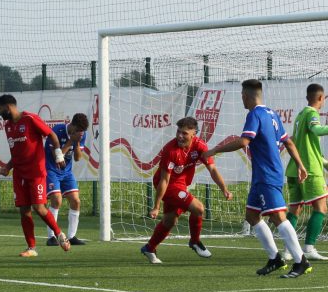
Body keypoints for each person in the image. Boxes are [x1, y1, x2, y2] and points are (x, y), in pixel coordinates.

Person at [203, 79, 312, 278]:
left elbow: (244, 141)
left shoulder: (254, 114)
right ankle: (275, 259)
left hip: (266, 175)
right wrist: (300, 165)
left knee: (278, 217)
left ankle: (300, 260)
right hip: (262, 176)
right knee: (252, 216)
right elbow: (288, 142)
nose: (242, 100)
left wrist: (215, 150)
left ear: (246, 95)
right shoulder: (272, 114)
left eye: (242, 96)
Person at [140, 117, 233, 264]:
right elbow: (164, 180)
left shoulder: (200, 146)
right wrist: (156, 206)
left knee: (170, 221)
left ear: (194, 134)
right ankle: (195, 241)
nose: (179, 136)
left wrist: (224, 189)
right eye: (178, 132)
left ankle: (149, 248)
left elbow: (212, 169)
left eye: (184, 133)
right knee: (199, 208)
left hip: (181, 185)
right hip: (168, 185)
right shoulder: (170, 150)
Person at [0, 94, 71, 257]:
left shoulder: (30, 119)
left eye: (0, 109)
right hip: (19, 174)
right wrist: (8, 167)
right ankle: (31, 248)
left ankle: (59, 234)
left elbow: (52, 135)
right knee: (24, 210)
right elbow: (16, 153)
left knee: (39, 207)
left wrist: (59, 155)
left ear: (8, 107)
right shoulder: (8, 126)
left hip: (36, 172)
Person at [283, 83, 328, 261]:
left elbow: (304, 143)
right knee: (321, 208)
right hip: (309, 170)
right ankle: (308, 247)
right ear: (320, 98)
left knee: (295, 209)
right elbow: (316, 130)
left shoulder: (300, 115)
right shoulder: (311, 114)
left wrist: (323, 162)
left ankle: (288, 250)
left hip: (295, 169)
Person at [44, 113, 89, 246]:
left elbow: (77, 158)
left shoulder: (81, 135)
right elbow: (56, 157)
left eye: (83, 132)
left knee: (76, 201)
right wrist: (70, 141)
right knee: (56, 200)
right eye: (79, 131)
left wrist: (77, 142)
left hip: (66, 172)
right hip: (51, 169)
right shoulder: (57, 130)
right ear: (72, 126)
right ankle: (51, 237)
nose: (81, 133)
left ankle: (72, 236)